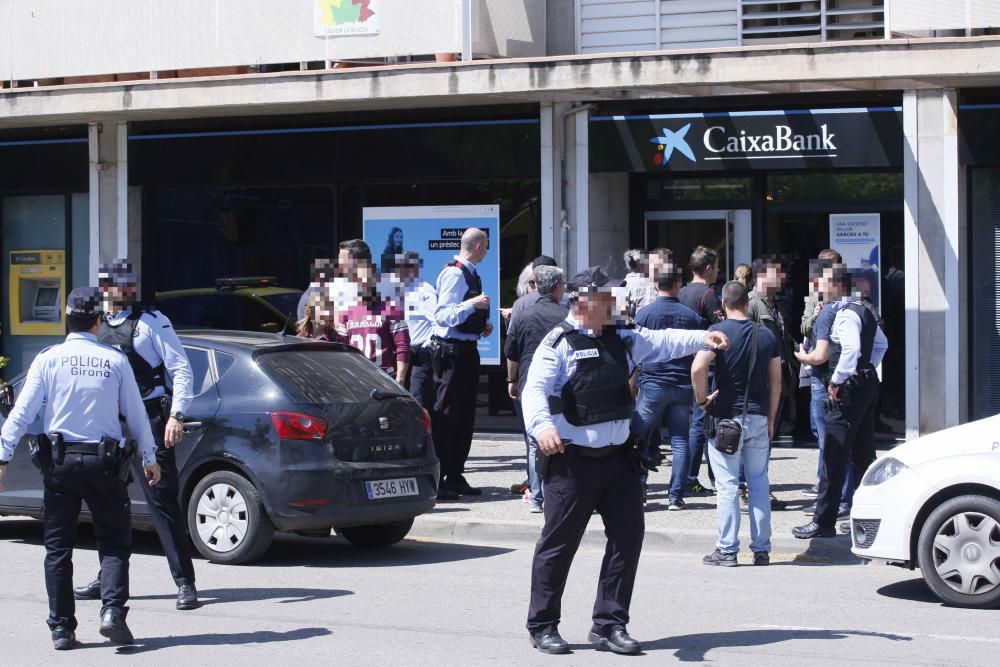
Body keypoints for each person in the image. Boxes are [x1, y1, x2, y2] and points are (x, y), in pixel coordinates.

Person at [522, 267, 728, 655]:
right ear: (585, 302)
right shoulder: (558, 343)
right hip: (572, 462)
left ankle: (609, 624)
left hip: (618, 462)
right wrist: (541, 427)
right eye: (609, 298)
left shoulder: (623, 336)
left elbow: (664, 341)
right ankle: (543, 624)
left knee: (627, 539)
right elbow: (535, 389)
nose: (618, 304)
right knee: (558, 544)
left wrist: (705, 337)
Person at [0, 287, 161, 650]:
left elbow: (22, 414)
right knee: (114, 543)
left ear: (66, 319)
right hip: (104, 464)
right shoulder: (115, 360)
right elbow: (136, 417)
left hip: (60, 465)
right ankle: (112, 613)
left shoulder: (48, 359)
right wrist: (150, 459)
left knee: (58, 548)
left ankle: (61, 628)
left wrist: (2, 458)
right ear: (98, 321)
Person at [74, 261, 199, 612]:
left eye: (123, 284)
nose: (117, 291)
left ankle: (184, 581)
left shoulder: (150, 322)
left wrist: (177, 414)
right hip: (109, 425)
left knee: (161, 502)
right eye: (110, 284)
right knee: (106, 503)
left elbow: (180, 368)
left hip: (149, 417)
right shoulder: (94, 325)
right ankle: (107, 577)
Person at [793, 261, 888, 539]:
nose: (816, 288)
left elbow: (851, 348)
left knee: (834, 457)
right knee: (863, 456)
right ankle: (866, 516)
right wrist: (868, 367)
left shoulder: (844, 313)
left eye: (820, 283)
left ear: (834, 285)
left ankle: (823, 522)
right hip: (866, 385)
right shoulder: (865, 308)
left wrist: (837, 380)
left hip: (847, 390)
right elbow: (882, 344)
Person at [692, 281, 781, 567]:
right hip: (757, 417)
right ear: (747, 302)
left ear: (724, 304)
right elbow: (776, 381)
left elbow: (697, 367)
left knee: (728, 485)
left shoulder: (718, 333)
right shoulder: (766, 335)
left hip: (726, 418)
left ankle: (727, 549)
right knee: (758, 483)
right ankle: (762, 548)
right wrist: (771, 418)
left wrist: (702, 399)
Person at [630, 264, 701, 510]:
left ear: (656, 285)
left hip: (652, 383)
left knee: (639, 437)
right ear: (678, 285)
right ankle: (675, 496)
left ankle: (639, 491)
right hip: (681, 383)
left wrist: (632, 383)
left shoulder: (644, 314)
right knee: (680, 440)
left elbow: (634, 349)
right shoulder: (692, 316)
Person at [431, 227, 493, 499]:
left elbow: (463, 316)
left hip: (467, 348)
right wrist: (473, 305)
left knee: (466, 416)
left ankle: (455, 474)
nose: (487, 251)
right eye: (487, 246)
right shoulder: (455, 273)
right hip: (452, 353)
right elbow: (442, 315)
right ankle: (438, 478)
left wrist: (481, 325)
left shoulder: (471, 272)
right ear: (479, 247)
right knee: (446, 415)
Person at [505, 265, 568, 513]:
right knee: (562, 436)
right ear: (557, 287)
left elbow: (512, 353)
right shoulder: (566, 314)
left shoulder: (522, 315)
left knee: (534, 442)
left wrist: (511, 381)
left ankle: (537, 497)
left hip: (529, 382)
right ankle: (561, 492)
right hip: (561, 383)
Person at [678, 245, 725, 494]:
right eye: (716, 267)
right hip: (705, 366)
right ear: (708, 268)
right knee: (702, 421)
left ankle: (692, 476)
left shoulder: (681, 292)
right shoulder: (708, 296)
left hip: (683, 364)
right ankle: (691, 477)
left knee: (690, 423)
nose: (718, 271)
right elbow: (723, 327)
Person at [746, 257, 791, 510]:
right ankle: (753, 491)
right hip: (761, 382)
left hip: (778, 382)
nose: (782, 279)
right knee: (759, 441)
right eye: (778, 274)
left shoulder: (774, 305)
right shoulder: (752, 304)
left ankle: (760, 488)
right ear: (762, 276)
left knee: (767, 439)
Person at [333, 251, 410, 385]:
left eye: (367, 280)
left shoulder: (392, 309)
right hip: (357, 379)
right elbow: (342, 349)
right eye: (360, 281)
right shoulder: (345, 313)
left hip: (385, 377)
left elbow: (402, 346)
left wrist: (401, 377)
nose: (364, 284)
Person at [398, 251, 437, 411]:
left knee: (418, 398)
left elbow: (437, 320)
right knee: (403, 397)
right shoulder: (399, 291)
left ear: (415, 268)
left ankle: (425, 434)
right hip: (405, 353)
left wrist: (428, 345)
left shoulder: (425, 290)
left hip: (421, 353)